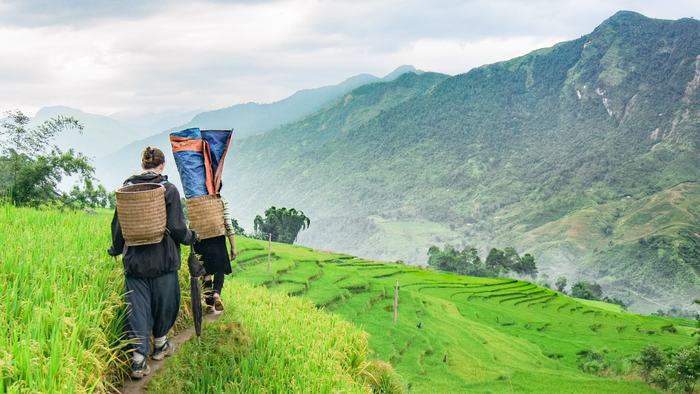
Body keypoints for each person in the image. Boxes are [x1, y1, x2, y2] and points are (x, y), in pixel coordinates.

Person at [108, 147, 197, 379]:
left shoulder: (127, 190)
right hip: (163, 261)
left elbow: (119, 226)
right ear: (162, 165)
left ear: (143, 164)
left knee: (137, 309)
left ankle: (138, 361)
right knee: (165, 304)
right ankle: (160, 345)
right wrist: (191, 238)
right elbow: (178, 229)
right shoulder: (168, 190)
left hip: (134, 263)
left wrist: (115, 249)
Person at [193, 195, 237, 314]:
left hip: (200, 239)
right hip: (217, 238)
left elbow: (191, 223)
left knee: (206, 272)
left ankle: (209, 303)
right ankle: (216, 294)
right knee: (219, 269)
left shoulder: (195, 201)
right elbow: (228, 224)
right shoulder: (221, 200)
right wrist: (233, 246)